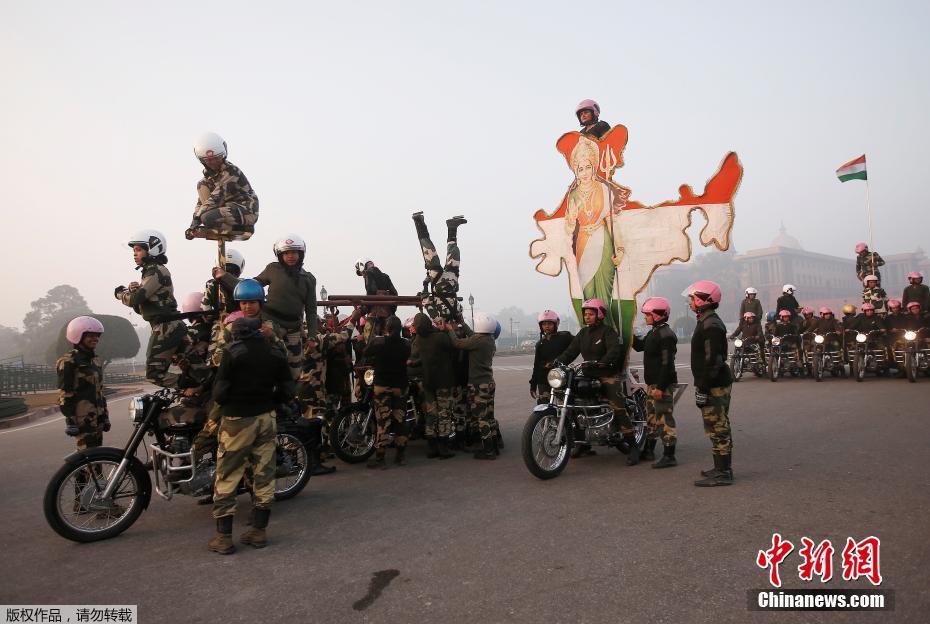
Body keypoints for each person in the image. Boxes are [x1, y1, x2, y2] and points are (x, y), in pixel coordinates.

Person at [208, 316, 294, 555]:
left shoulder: (232, 352)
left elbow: (220, 393)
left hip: (236, 421)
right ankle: (259, 532)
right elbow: (288, 389)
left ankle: (224, 538)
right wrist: (270, 400)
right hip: (266, 418)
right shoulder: (275, 352)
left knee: (228, 475)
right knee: (264, 474)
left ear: (237, 333)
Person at [216, 234, 317, 379]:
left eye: (294, 252)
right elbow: (250, 287)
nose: (290, 256)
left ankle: (287, 393)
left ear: (301, 254)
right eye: (286, 253)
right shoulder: (273, 269)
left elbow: (311, 310)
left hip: (294, 328)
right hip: (270, 323)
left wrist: (312, 337)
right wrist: (224, 276)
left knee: (294, 371)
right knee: (268, 361)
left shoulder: (309, 279)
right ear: (280, 255)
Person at [556, 298, 638, 464]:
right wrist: (557, 362)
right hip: (588, 374)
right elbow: (571, 351)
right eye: (585, 314)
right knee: (574, 405)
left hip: (607, 374)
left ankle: (633, 446)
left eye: (591, 314)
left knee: (618, 407)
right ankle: (583, 443)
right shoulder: (583, 333)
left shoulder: (608, 332)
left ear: (600, 314)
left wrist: (604, 361)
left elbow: (614, 349)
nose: (587, 316)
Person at [563, 136, 630, 334]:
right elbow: (569, 228)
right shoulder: (573, 195)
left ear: (594, 168)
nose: (584, 173)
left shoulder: (603, 188)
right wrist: (570, 219)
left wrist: (619, 249)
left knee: (604, 292)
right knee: (588, 292)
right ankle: (591, 332)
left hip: (603, 241)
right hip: (583, 244)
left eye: (588, 167)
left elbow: (611, 221)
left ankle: (609, 332)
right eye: (580, 169)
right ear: (576, 171)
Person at [115, 230, 187, 388]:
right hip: (169, 326)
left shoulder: (155, 271)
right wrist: (133, 292)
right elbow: (141, 307)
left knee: (154, 375)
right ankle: (198, 385)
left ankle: (190, 385)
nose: (135, 254)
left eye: (139, 249)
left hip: (166, 328)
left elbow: (135, 299)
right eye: (134, 251)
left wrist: (121, 293)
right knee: (194, 368)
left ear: (152, 249)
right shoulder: (151, 271)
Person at [685, 281, 734, 487]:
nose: (689, 303)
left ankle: (724, 472)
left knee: (718, 426)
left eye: (692, 299)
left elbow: (713, 360)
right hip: (711, 382)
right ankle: (719, 467)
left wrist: (703, 388)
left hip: (714, 384)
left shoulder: (711, 325)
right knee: (713, 426)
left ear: (702, 300)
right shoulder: (706, 320)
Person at [631, 298, 678, 468]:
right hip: (653, 384)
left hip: (661, 384)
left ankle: (669, 455)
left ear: (657, 315)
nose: (645, 317)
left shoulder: (666, 335)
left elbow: (667, 364)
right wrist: (628, 333)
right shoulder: (654, 332)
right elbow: (640, 346)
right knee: (651, 418)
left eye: (648, 314)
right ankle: (649, 450)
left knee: (664, 418)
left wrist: (661, 387)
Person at [446, 313, 500, 459]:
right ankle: (495, 446)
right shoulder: (489, 340)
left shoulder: (477, 341)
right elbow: (472, 336)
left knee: (481, 418)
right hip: (488, 382)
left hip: (478, 385)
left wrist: (449, 329)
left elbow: (457, 343)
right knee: (489, 416)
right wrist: (463, 324)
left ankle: (488, 450)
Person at [186, 132, 259, 239]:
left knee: (207, 217)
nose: (213, 162)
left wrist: (197, 219)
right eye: (208, 160)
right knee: (201, 186)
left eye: (216, 158)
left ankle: (243, 228)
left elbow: (217, 197)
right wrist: (193, 225)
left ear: (222, 155)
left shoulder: (231, 172)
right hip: (226, 209)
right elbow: (202, 203)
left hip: (246, 210)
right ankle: (218, 226)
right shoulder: (208, 180)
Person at [364, 316, 412, 469]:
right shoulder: (406, 344)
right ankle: (401, 456)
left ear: (387, 328)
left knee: (383, 421)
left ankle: (381, 458)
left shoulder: (380, 342)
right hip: (400, 387)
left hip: (382, 386)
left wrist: (375, 333)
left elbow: (366, 352)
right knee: (400, 420)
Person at [409, 313, 457, 458]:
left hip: (428, 382)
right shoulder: (440, 337)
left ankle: (432, 448)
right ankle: (443, 448)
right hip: (443, 382)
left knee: (431, 414)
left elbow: (418, 358)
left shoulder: (418, 340)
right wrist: (446, 330)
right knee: (444, 414)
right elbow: (453, 346)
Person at [57, 316, 109, 451]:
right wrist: (70, 421)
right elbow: (65, 394)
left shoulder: (95, 361)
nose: (95, 339)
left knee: (97, 454)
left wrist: (105, 416)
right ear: (77, 336)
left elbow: (99, 391)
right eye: (90, 336)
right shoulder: (68, 362)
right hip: (83, 420)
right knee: (88, 456)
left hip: (97, 419)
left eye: (97, 336)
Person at [412, 212, 466, 320]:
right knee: (454, 252)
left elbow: (425, 300)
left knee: (429, 249)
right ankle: (452, 226)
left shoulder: (437, 318)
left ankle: (419, 222)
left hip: (437, 281)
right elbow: (461, 316)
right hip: (451, 281)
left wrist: (425, 284)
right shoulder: (458, 313)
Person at [530, 310, 574, 404]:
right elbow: (536, 365)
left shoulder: (565, 337)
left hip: (561, 378)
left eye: (549, 324)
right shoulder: (540, 344)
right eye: (544, 324)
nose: (547, 326)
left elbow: (578, 345)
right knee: (543, 405)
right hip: (544, 379)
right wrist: (533, 385)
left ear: (556, 324)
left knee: (563, 406)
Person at [202, 249, 246, 317]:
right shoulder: (244, 284)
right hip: (242, 320)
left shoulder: (211, 284)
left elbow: (206, 308)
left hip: (220, 320)